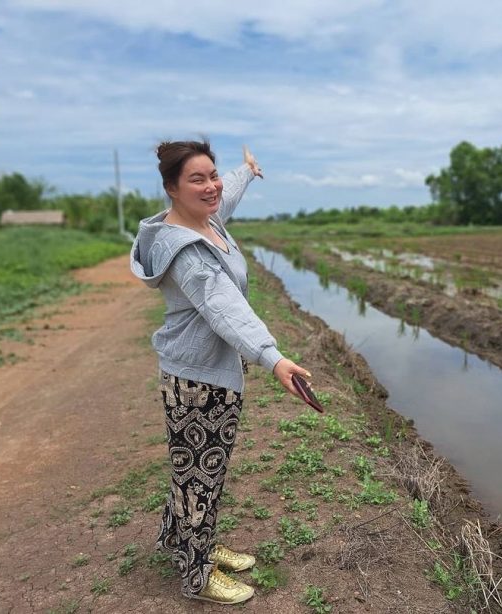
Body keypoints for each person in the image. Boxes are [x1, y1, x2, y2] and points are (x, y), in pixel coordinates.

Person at [130, 140, 309, 604]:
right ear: (171, 188)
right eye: (196, 179)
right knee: (199, 478)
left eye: (212, 174)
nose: (211, 186)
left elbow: (224, 193)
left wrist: (245, 171)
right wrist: (273, 358)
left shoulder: (206, 219)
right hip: (198, 382)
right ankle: (197, 574)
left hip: (202, 371)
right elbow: (224, 307)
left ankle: (182, 541)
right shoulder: (187, 249)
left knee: (191, 471)